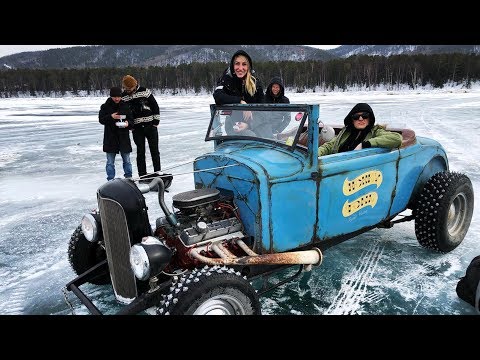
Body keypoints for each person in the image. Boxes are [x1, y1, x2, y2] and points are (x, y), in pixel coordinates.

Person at [213, 50, 270, 137]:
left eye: (244, 64)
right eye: (237, 64)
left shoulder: (255, 83)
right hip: (236, 127)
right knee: (247, 136)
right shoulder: (226, 80)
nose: (240, 68)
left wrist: (249, 125)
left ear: (248, 66)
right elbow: (218, 96)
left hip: (257, 126)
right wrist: (241, 102)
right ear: (233, 65)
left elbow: (263, 111)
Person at [318, 103, 402, 157]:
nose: (361, 119)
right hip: (338, 167)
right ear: (352, 120)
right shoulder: (345, 132)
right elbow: (329, 146)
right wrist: (314, 155)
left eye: (365, 116)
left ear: (370, 118)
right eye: (356, 117)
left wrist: (366, 144)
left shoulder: (375, 131)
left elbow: (396, 138)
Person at [121, 75, 161, 181]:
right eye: (126, 89)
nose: (128, 90)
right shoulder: (124, 97)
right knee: (140, 151)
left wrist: (156, 122)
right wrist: (131, 126)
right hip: (137, 129)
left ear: (134, 85)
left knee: (154, 150)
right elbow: (124, 113)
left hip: (150, 126)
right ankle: (142, 175)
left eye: (130, 88)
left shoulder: (145, 91)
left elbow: (155, 106)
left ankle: (158, 172)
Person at [98, 86, 134, 181]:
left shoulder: (125, 105)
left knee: (127, 160)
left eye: (119, 96)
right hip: (110, 137)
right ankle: (110, 180)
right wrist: (111, 116)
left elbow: (131, 120)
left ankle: (129, 178)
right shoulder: (105, 106)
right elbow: (101, 120)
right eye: (115, 97)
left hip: (123, 137)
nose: (117, 98)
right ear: (111, 97)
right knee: (110, 162)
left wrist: (128, 124)